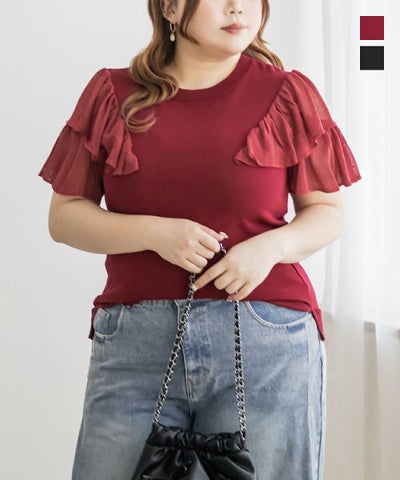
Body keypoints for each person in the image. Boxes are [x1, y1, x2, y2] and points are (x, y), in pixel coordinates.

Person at [39, 0, 361, 478]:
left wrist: (268, 249)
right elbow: (64, 217)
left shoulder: (287, 93)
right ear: (170, 8)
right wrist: (155, 233)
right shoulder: (113, 94)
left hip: (265, 340)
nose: (238, 8)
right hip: (136, 345)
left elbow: (328, 214)